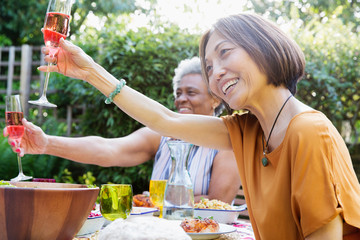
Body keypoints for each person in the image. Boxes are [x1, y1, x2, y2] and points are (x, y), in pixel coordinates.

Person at [16, 12, 360, 239]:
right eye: (209, 66)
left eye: (225, 53)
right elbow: (166, 121)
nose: (217, 71)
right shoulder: (249, 130)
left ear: (264, 48)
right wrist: (90, 72)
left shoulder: (308, 132)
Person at [4, 57, 240, 204]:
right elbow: (109, 149)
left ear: (215, 100)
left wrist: (155, 201)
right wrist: (47, 143)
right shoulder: (161, 136)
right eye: (178, 93)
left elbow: (218, 202)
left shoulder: (227, 142)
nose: (181, 99)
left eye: (191, 92)